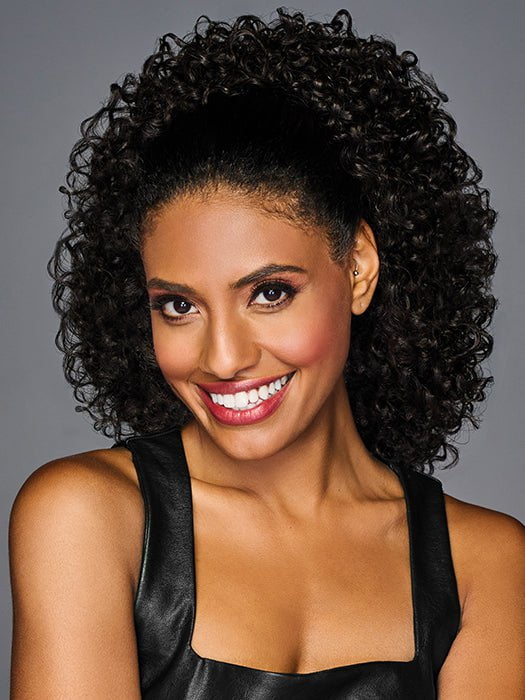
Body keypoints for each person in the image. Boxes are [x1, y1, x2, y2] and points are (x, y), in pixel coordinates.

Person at [8, 7, 525, 699]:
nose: (222, 359)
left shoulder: (484, 564)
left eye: (269, 293)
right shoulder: (87, 517)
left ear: (359, 269)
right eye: (179, 306)